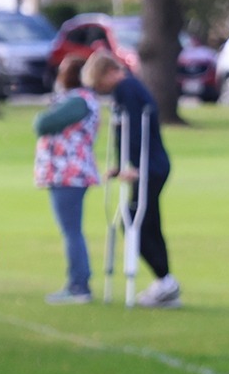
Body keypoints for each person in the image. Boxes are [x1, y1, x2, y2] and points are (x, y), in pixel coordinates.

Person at [83, 50, 178, 308]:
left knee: (136, 223)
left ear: (109, 73)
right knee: (148, 222)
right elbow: (124, 135)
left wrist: (134, 166)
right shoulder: (129, 89)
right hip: (153, 165)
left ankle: (165, 280)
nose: (102, 90)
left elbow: (135, 130)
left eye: (100, 83)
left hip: (150, 167)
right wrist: (119, 166)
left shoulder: (127, 89)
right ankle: (165, 281)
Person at [33, 55, 101, 305]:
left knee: (71, 231)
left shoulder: (78, 101)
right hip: (69, 173)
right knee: (72, 230)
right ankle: (78, 282)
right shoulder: (82, 100)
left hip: (69, 174)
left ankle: (79, 285)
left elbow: (43, 123)